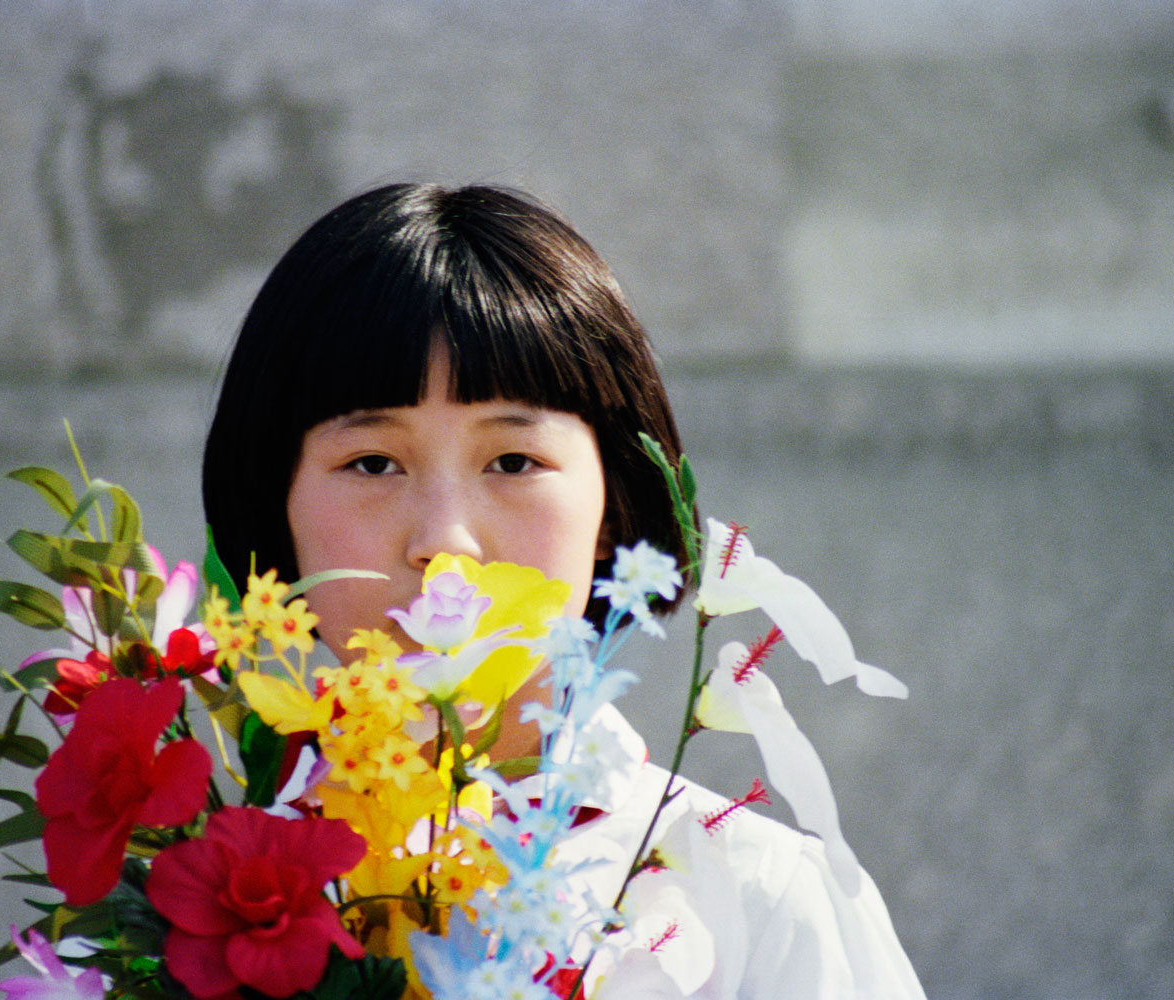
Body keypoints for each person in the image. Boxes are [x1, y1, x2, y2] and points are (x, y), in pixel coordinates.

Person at [202, 182, 926, 998]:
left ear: (613, 509)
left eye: (513, 462)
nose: (445, 540)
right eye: (373, 463)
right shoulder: (191, 909)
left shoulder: (760, 905)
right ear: (276, 513)